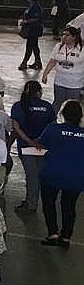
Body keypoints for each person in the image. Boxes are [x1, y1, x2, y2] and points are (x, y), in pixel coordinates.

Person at [38, 99, 84, 246]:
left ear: (63, 114)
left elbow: (41, 144)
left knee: (48, 202)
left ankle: (52, 233)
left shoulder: (53, 129)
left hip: (52, 172)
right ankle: (66, 237)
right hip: (76, 176)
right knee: (69, 206)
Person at [10, 80, 56, 213]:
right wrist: (40, 140)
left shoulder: (19, 106)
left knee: (31, 176)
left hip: (26, 147)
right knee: (38, 175)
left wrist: (29, 141)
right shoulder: (47, 106)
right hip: (42, 147)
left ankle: (31, 204)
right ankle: (35, 200)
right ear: (39, 92)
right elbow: (52, 126)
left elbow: (16, 127)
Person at [42, 25, 84, 113]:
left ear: (74, 37)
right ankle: (51, 119)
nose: (64, 37)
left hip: (75, 84)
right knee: (57, 102)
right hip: (59, 81)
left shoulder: (82, 49)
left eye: (67, 35)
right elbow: (53, 61)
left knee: (72, 106)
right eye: (63, 34)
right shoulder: (58, 46)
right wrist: (45, 74)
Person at [19, 0, 45, 70]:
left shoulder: (36, 7)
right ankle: (38, 62)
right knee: (34, 46)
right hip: (30, 29)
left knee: (30, 46)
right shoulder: (32, 6)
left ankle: (24, 62)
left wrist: (26, 21)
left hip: (34, 29)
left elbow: (36, 18)